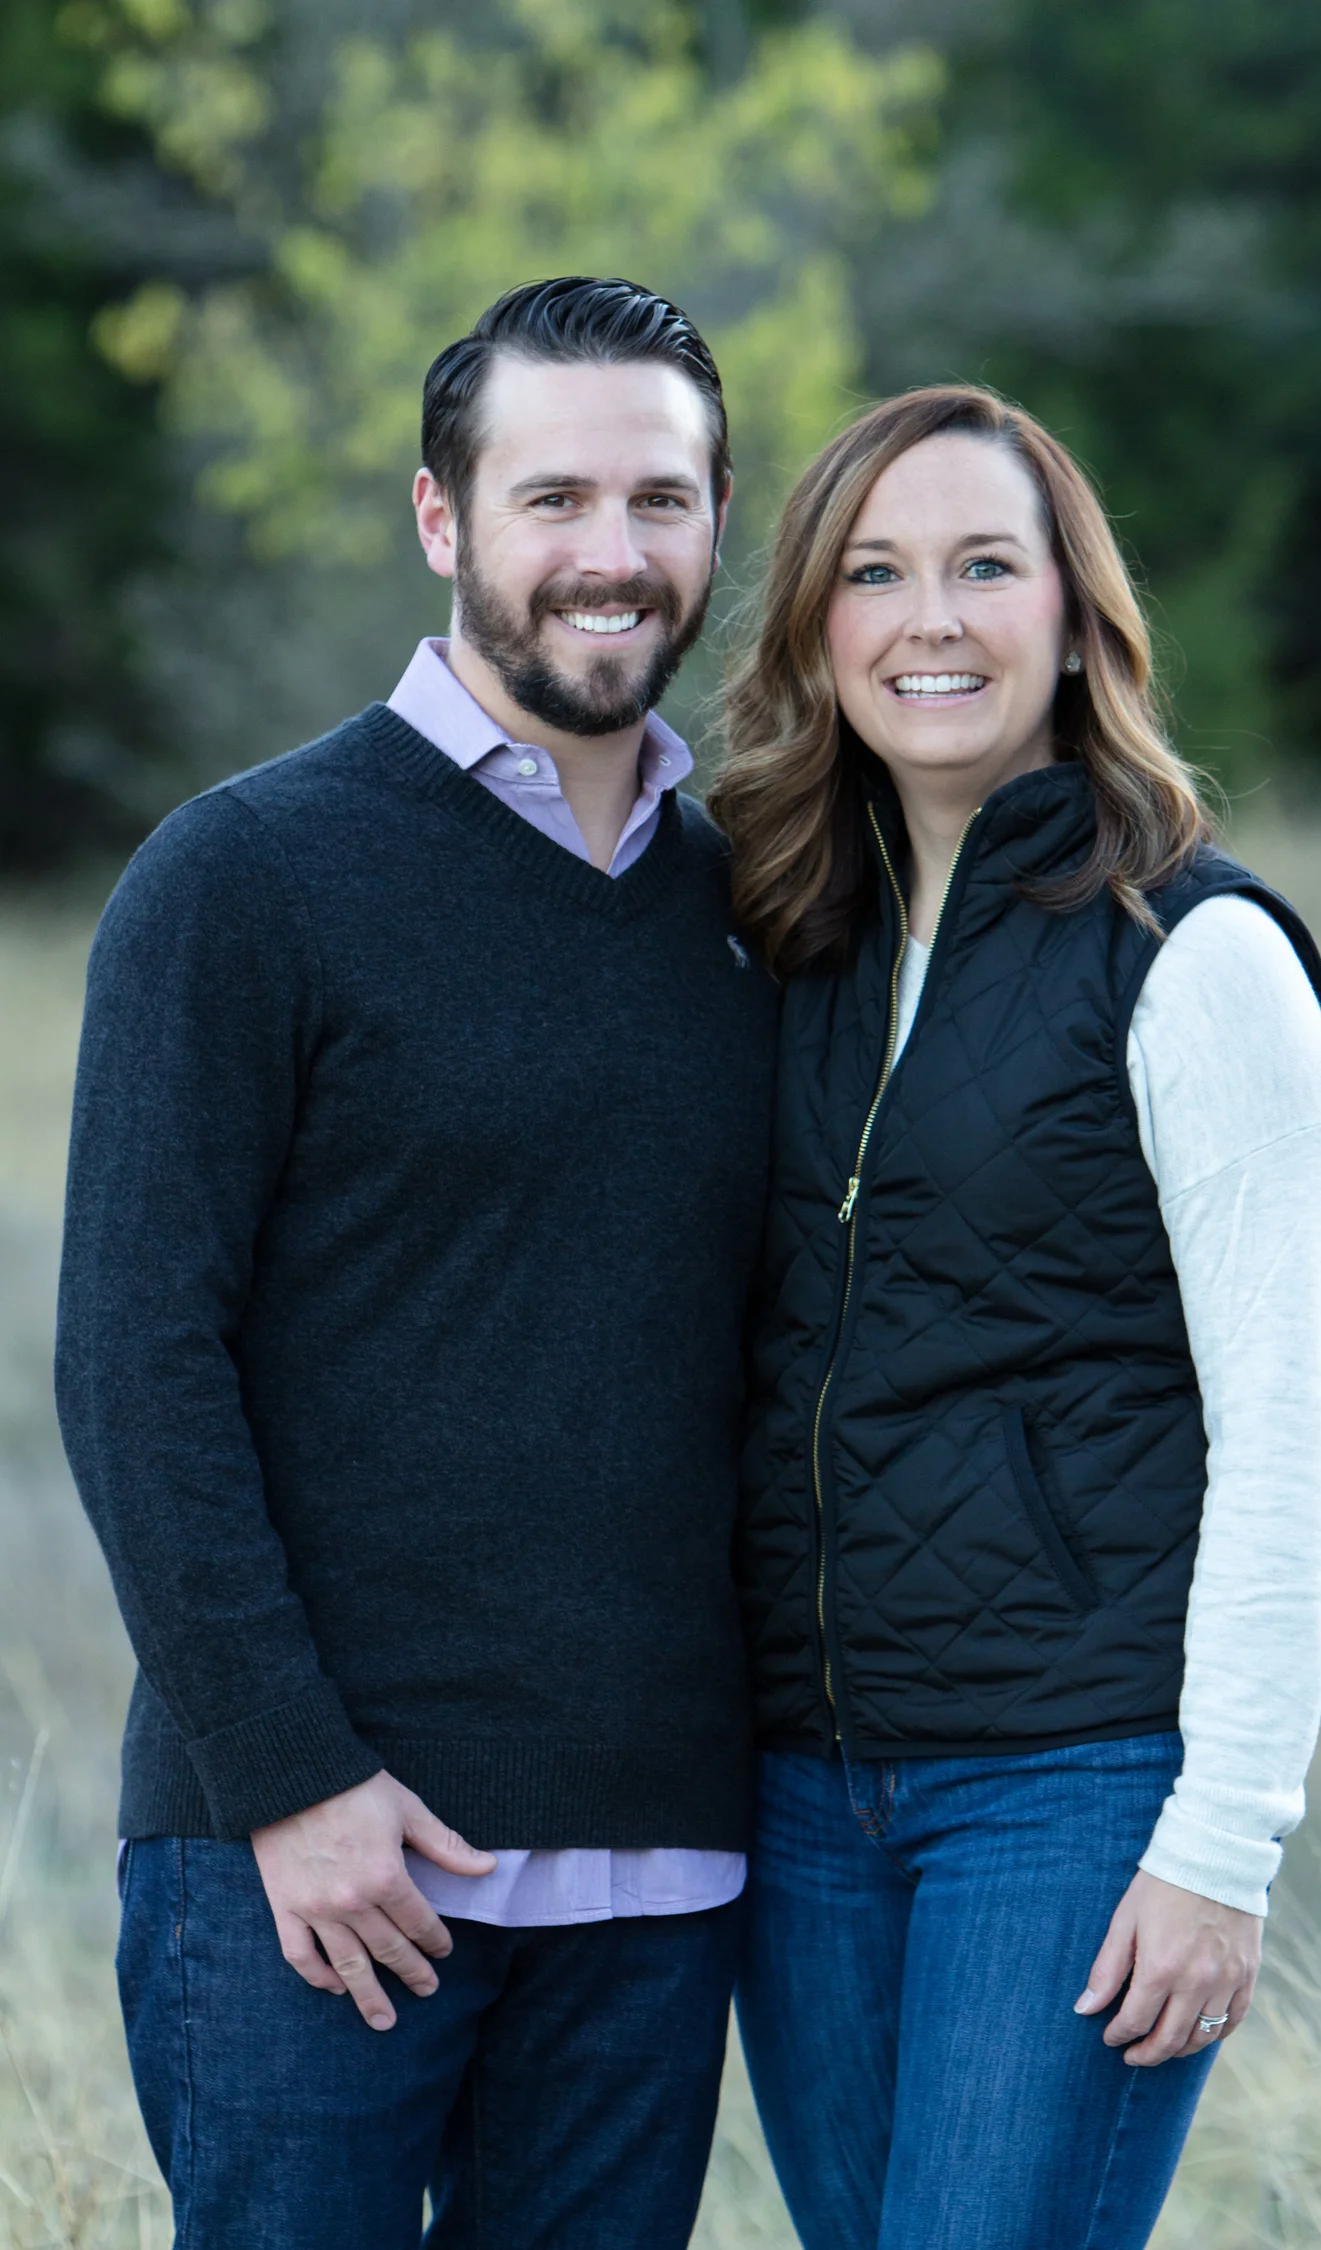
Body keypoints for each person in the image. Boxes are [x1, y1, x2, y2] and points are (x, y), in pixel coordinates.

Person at [54, 276, 779, 2250]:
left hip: (656, 1879)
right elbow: (132, 1360)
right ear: (443, 518)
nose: (612, 554)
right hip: (319, 1867)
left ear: (719, 521)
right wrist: (288, 1778)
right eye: (554, 500)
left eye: (660, 499)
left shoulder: (762, 902)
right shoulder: (244, 877)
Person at [709, 384, 1321, 2250]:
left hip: (1071, 1785)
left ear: (1076, 619)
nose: (931, 619)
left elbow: (1292, 1428)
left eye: (986, 567)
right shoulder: (787, 939)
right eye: (875, 573)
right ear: (815, 630)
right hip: (805, 1793)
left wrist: (1221, 1846)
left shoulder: (1194, 952)